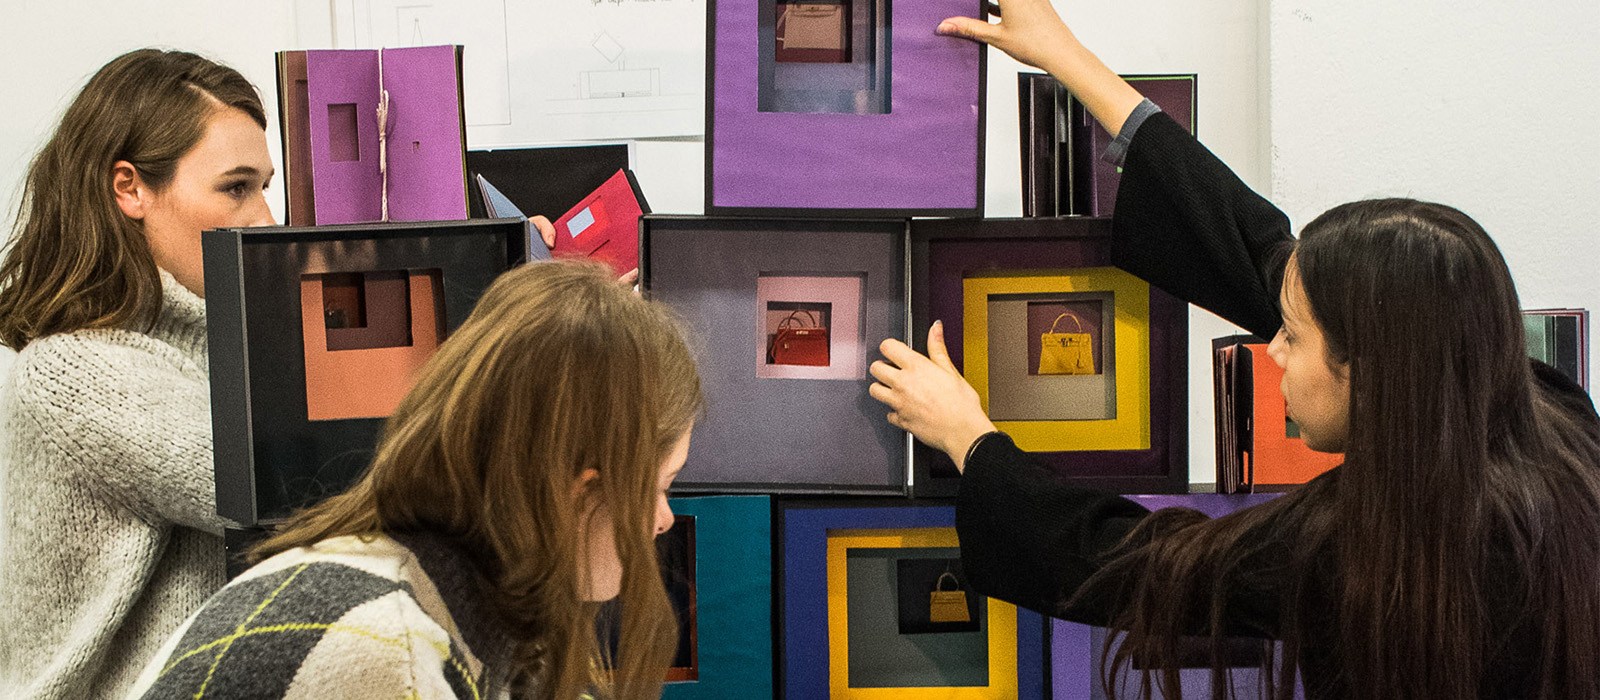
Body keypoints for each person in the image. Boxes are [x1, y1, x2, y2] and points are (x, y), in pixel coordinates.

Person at [868, 2, 1600, 697]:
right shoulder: (1551, 418)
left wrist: (971, 440)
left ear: (1369, 372)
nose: (1271, 349)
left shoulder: (1352, 549)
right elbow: (1263, 254)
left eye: (1293, 334)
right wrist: (1067, 57)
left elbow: (1135, 562)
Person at [126, 260, 699, 699]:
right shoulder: (383, 647)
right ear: (575, 489)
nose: (662, 519)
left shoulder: (457, 597)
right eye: (659, 485)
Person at [0, 49, 276, 699]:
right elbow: (294, 485)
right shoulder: (78, 373)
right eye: (236, 187)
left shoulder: (212, 347)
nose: (266, 219)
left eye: (265, 187)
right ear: (130, 189)